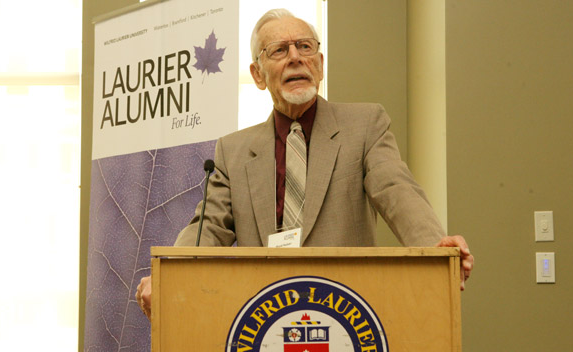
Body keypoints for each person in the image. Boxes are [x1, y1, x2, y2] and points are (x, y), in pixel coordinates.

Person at [136, 8, 474, 320]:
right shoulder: (233, 150)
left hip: (347, 312)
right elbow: (209, 227)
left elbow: (396, 189)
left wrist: (435, 244)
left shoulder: (366, 124)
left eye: (305, 47)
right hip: (264, 316)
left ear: (320, 63)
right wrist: (171, 273)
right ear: (257, 74)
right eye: (279, 50)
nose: (296, 57)